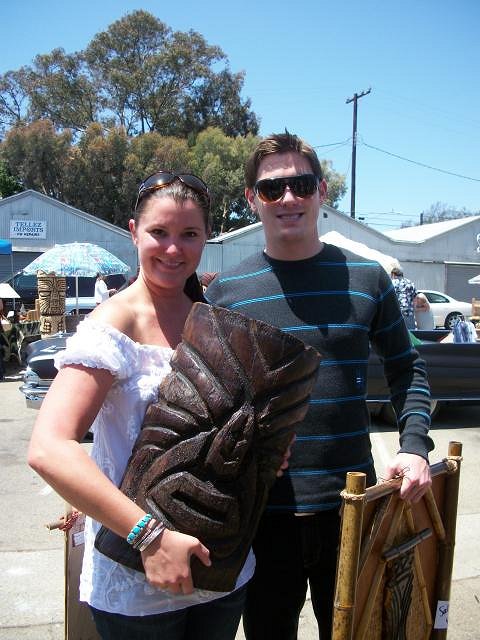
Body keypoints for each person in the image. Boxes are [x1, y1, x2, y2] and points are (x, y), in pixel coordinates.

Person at [205, 131, 433, 640]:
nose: (288, 198)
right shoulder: (226, 293)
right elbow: (212, 404)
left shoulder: (368, 279)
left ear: (322, 192)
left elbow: (407, 369)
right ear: (252, 199)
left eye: (302, 185)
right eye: (272, 189)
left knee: (358, 633)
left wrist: (414, 446)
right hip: (263, 516)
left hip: (352, 507)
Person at [28, 171, 255, 640]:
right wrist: (148, 536)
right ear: (134, 232)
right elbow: (50, 448)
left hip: (221, 568)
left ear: (206, 237)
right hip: (138, 580)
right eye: (159, 232)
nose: (173, 249)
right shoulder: (114, 323)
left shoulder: (211, 318)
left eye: (189, 234)